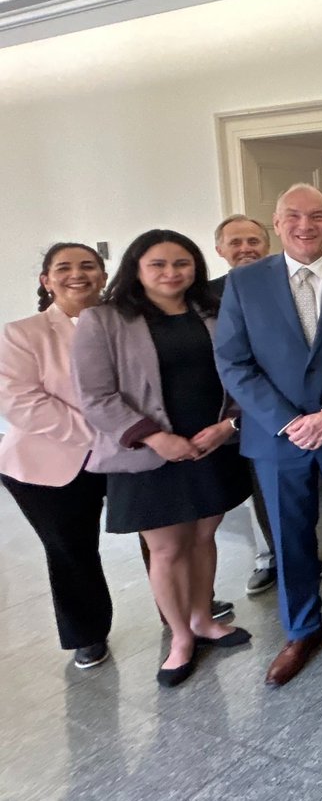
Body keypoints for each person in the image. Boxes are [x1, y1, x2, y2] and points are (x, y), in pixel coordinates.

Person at [215, 184, 322, 688]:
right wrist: (289, 421)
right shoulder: (244, 284)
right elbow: (234, 362)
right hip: (277, 437)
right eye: (294, 216)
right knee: (289, 536)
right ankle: (301, 629)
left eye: (316, 216)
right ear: (276, 221)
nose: (305, 225)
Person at [72, 230, 251, 688]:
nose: (172, 273)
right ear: (136, 268)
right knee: (168, 548)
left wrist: (228, 424)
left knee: (204, 536)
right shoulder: (104, 320)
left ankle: (204, 619)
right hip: (149, 454)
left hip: (211, 445)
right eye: (159, 264)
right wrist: (155, 438)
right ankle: (179, 638)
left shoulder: (211, 311)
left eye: (182, 264)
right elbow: (96, 396)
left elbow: (240, 372)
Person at [0, 243, 113, 670]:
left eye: (88, 265)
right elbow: (22, 402)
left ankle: (180, 610)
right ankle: (87, 633)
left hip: (129, 452)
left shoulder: (125, 322)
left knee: (159, 533)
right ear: (47, 280)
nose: (77, 274)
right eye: (63, 268)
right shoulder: (22, 333)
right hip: (48, 462)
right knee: (70, 549)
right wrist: (104, 434)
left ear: (103, 275)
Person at [211, 214, 277, 596]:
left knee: (268, 491)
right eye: (235, 242)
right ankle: (267, 559)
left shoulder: (281, 282)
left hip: (272, 409)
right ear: (220, 249)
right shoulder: (204, 294)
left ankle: (287, 556)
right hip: (224, 411)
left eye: (253, 241)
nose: (245, 249)